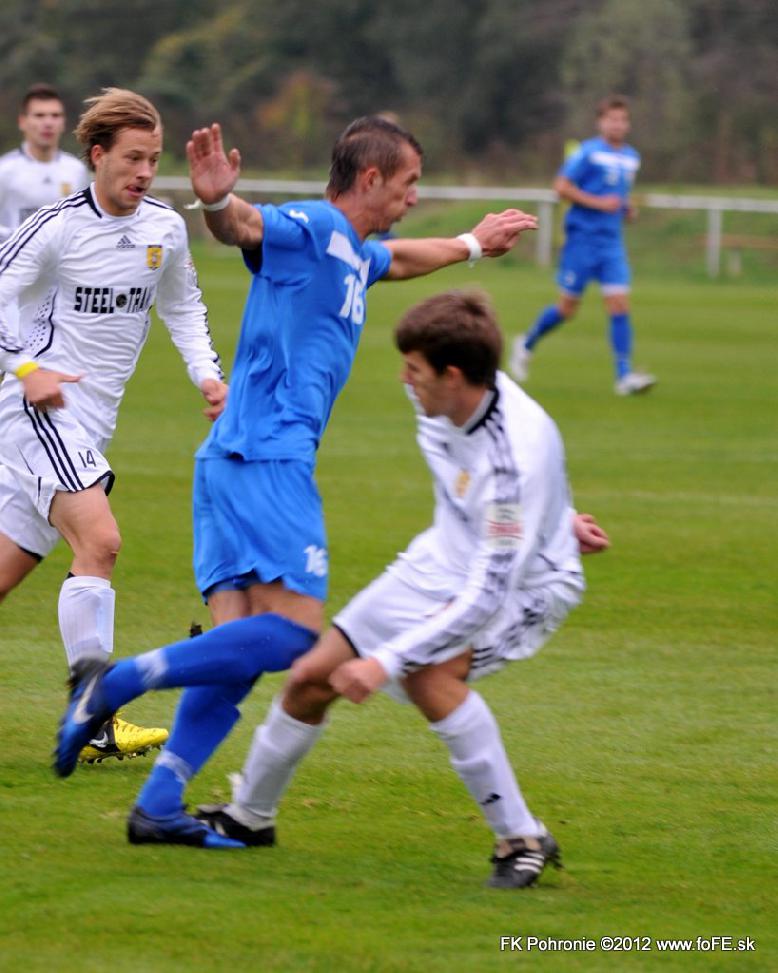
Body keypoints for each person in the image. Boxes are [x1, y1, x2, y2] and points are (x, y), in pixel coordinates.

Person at [55, 115, 538, 846]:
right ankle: (116, 681)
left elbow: (402, 258)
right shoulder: (312, 226)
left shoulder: (354, 252)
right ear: (371, 178)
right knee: (292, 639)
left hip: (229, 458)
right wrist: (219, 204)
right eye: (408, 183)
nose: (413, 198)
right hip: (268, 457)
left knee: (235, 653)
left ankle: (160, 805)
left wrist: (475, 243)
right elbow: (248, 227)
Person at [56, 289, 609, 880]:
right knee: (310, 676)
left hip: (523, 583)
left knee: (429, 675)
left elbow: (489, 590)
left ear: (454, 376)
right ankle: (250, 816)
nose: (403, 379)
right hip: (442, 557)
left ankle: (520, 838)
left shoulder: (512, 457)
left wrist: (384, 661)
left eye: (416, 370)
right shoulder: (449, 398)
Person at [0, 88, 226, 764]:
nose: (145, 172)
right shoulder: (56, 227)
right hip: (36, 411)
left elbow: (184, 308)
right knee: (100, 540)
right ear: (96, 156)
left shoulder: (164, 228)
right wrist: (26, 368)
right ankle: (95, 714)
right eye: (132, 158)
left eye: (153, 160)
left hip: (89, 425)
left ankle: (93, 716)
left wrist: (207, 375)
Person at [510, 95, 656, 396]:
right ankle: (525, 344)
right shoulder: (588, 153)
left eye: (622, 119)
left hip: (611, 243)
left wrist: (626, 209)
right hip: (581, 240)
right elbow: (561, 186)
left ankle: (624, 376)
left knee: (619, 303)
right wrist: (599, 203)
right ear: (600, 122)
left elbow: (617, 194)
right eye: (611, 119)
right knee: (567, 309)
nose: (617, 124)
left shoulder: (631, 157)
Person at [0, 84, 89, 243]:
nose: (48, 123)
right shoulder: (4, 170)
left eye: (55, 116)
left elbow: (83, 224)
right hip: (15, 265)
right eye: (39, 115)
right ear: (22, 122)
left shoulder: (76, 170)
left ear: (63, 122)